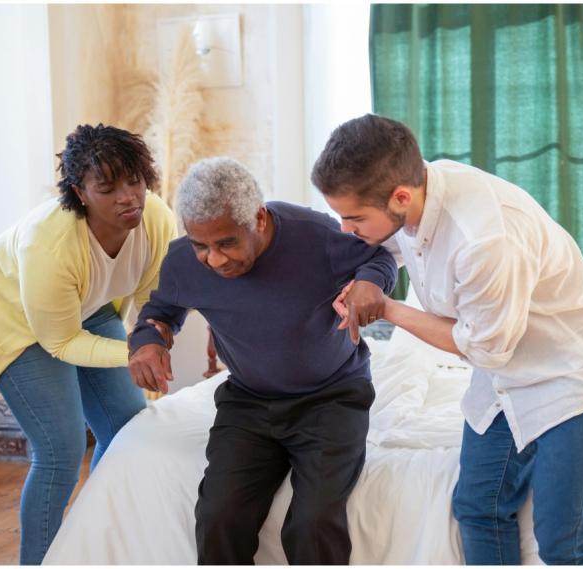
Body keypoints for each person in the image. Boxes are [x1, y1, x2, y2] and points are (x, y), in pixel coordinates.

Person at [312, 114, 583, 565]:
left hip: (574, 372)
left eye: (354, 218)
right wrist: (367, 279)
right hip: (505, 370)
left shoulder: (483, 240)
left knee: (564, 543)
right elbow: (388, 248)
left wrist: (388, 308)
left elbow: (483, 348)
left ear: (401, 196)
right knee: (478, 508)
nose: (347, 229)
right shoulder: (419, 191)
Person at [126, 156, 397, 564]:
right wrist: (147, 343)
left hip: (331, 398)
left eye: (227, 243)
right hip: (249, 402)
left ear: (259, 218)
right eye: (202, 245)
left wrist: (369, 283)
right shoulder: (183, 262)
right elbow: (159, 313)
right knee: (219, 516)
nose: (213, 259)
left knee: (313, 522)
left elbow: (379, 259)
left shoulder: (314, 235)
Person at [0, 124, 177, 565]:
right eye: (108, 187)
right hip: (16, 320)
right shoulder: (50, 242)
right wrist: (135, 353)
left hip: (87, 304)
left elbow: (152, 302)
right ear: (80, 192)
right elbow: (59, 341)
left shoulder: (155, 217)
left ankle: (89, 548)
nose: (129, 197)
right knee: (60, 450)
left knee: (126, 430)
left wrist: (152, 340)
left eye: (135, 180)